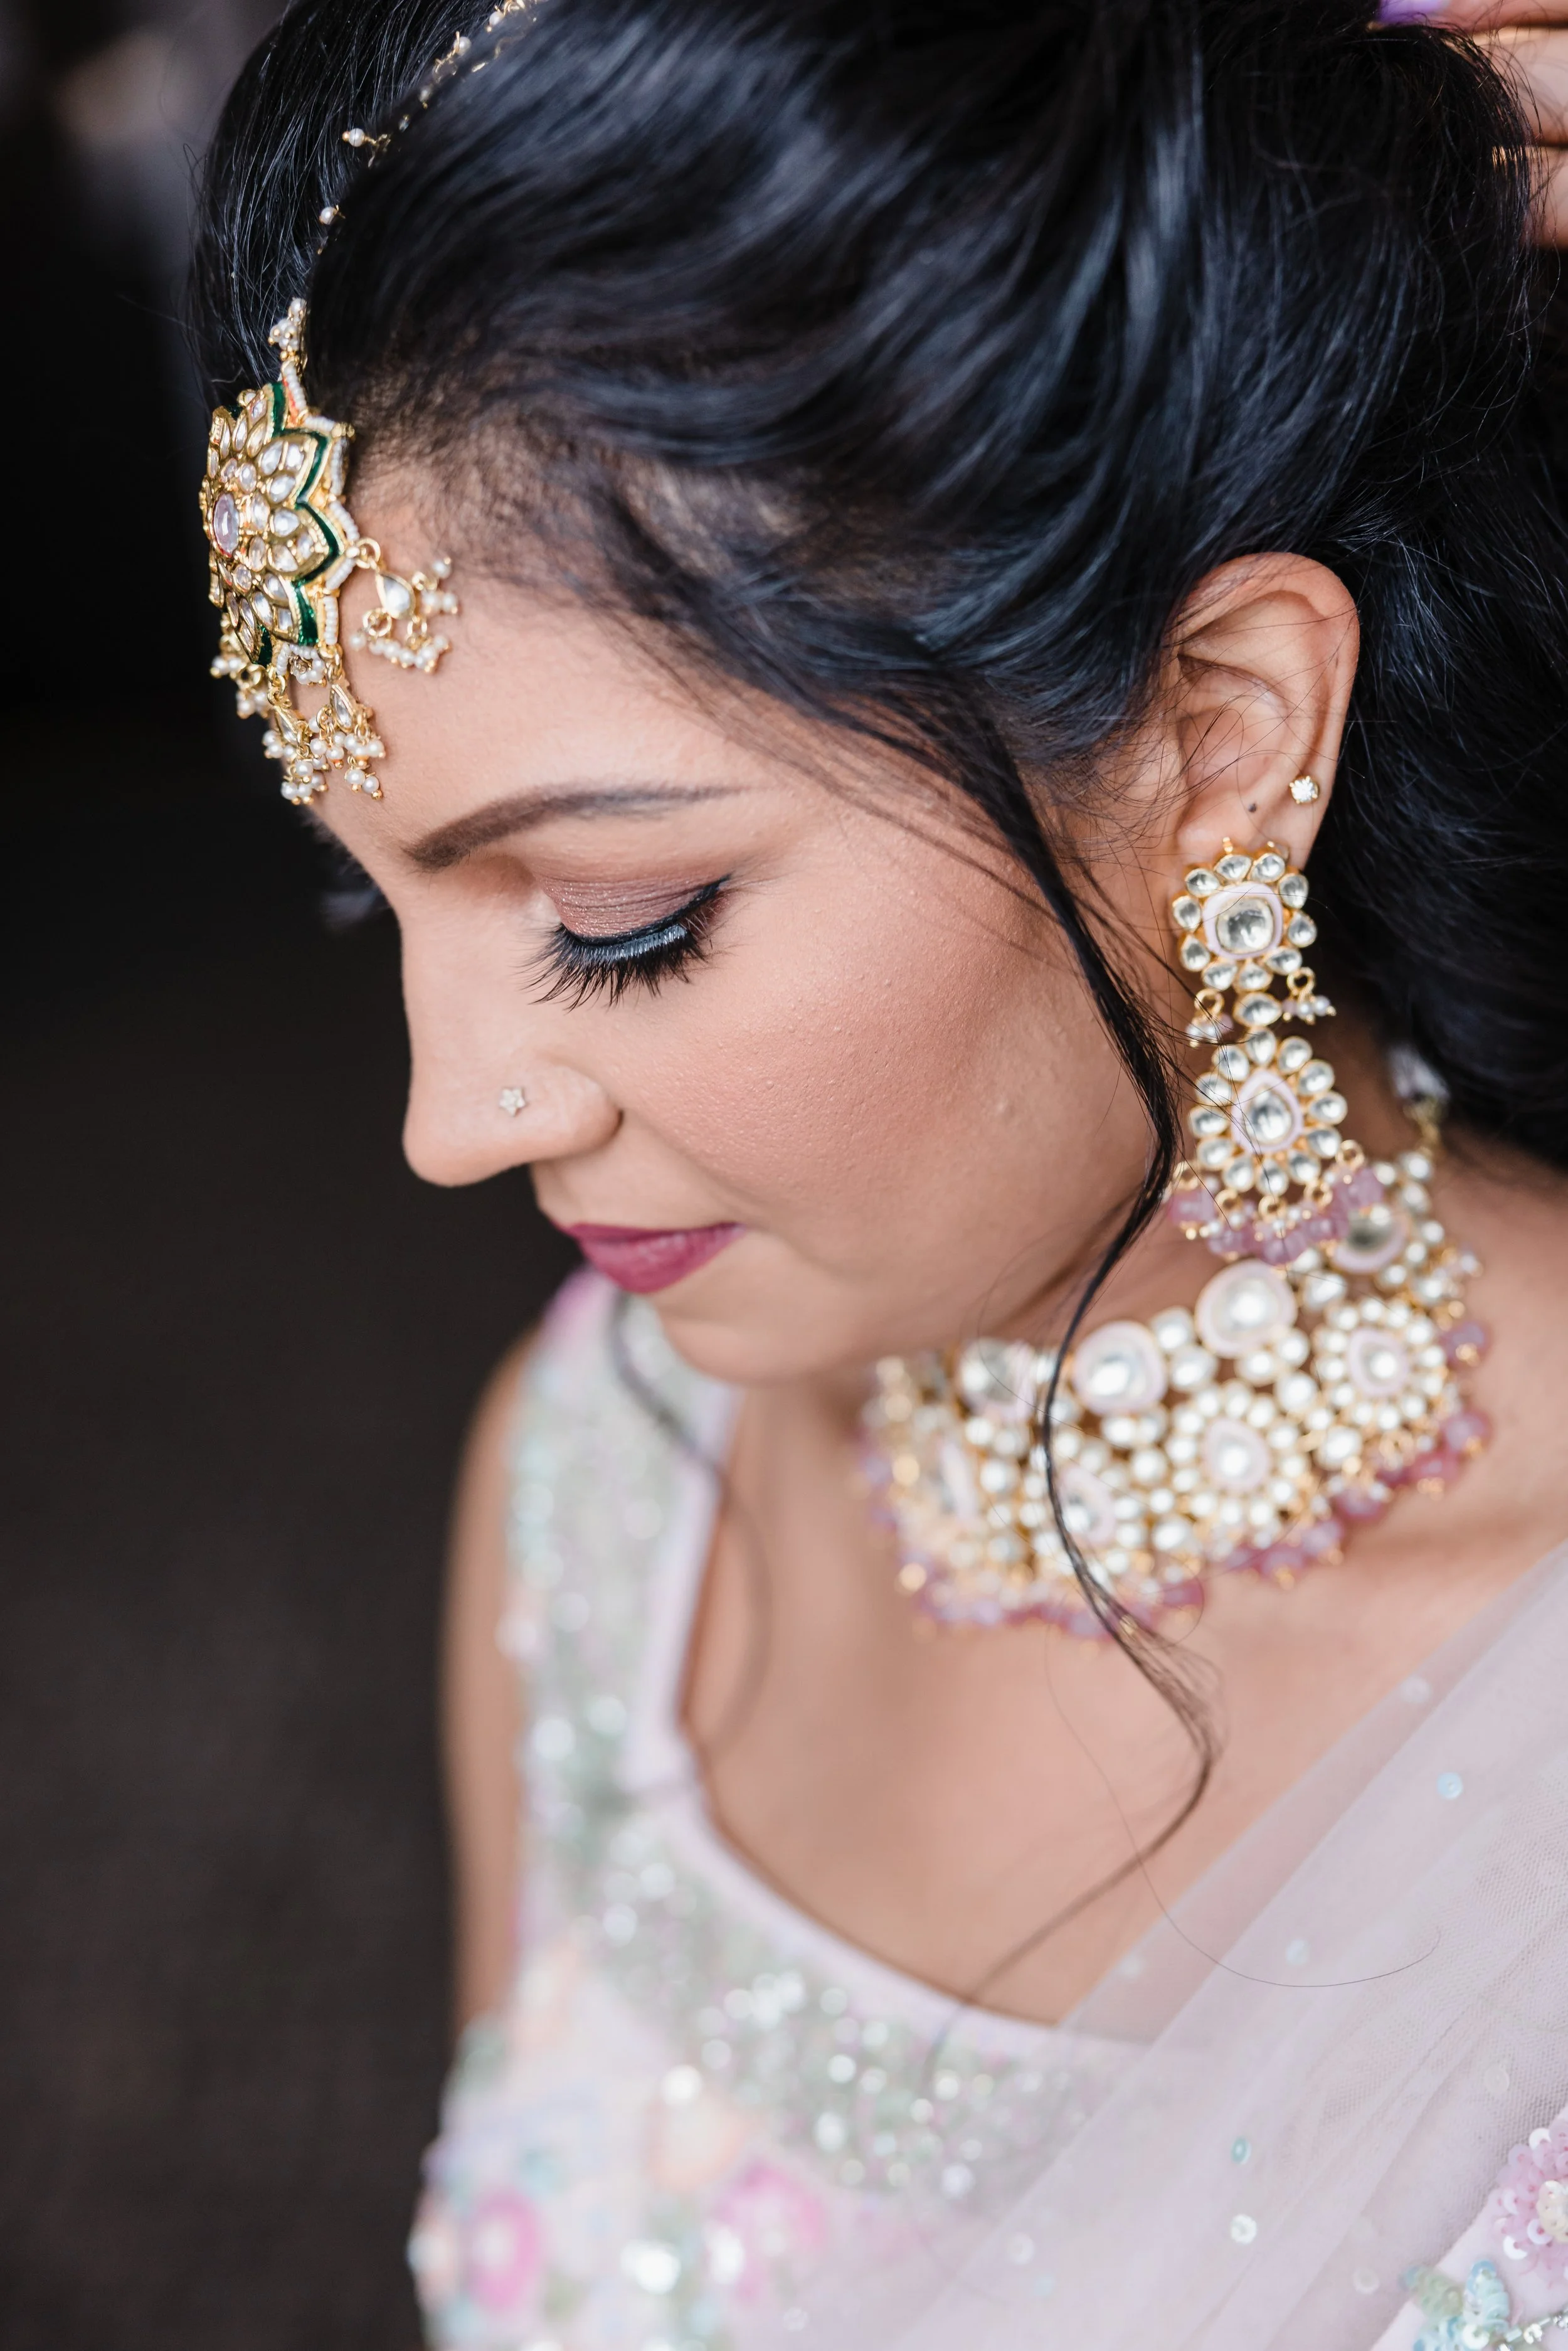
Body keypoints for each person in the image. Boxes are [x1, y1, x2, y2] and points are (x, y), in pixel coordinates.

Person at [189, 2, 1568, 2342]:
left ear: (1220, 739)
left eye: (621, 923)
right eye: (377, 891)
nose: (443, 1123)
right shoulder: (600, 1491)